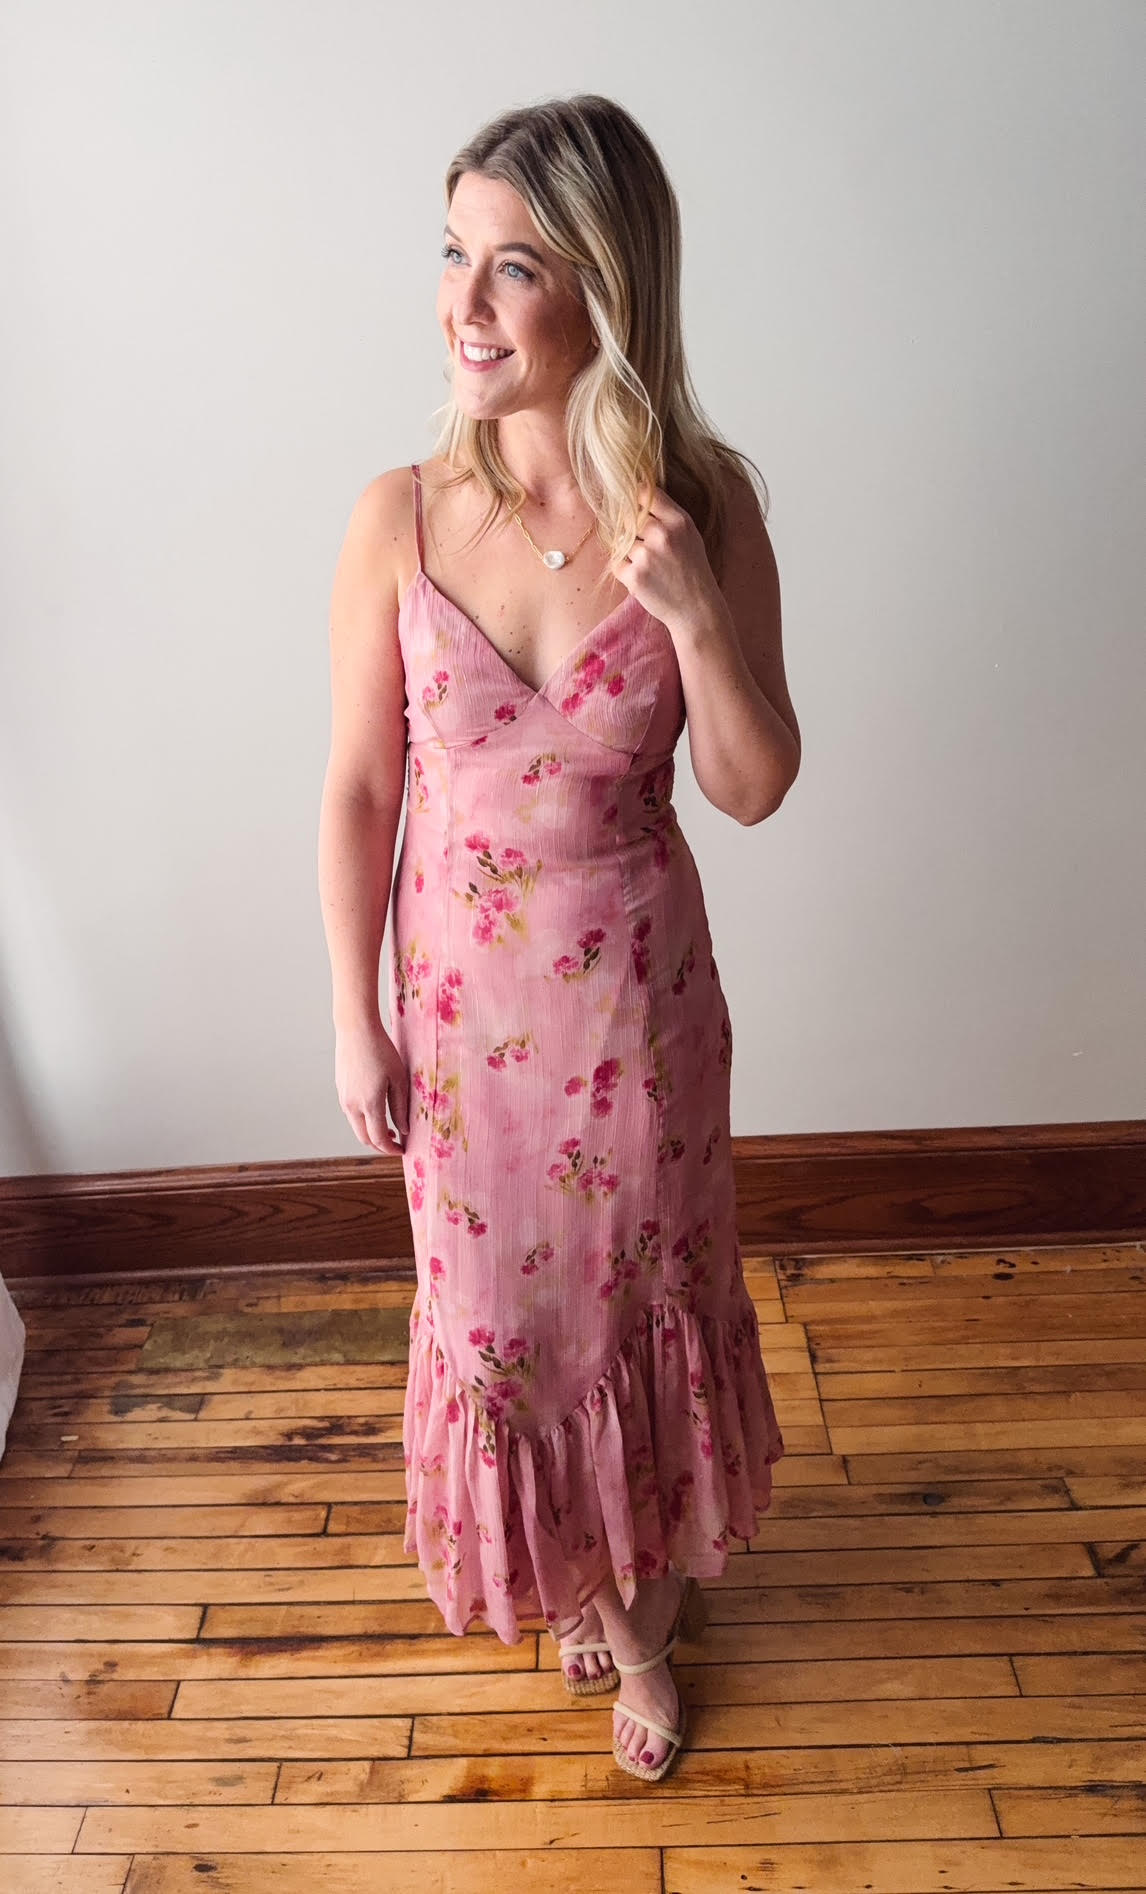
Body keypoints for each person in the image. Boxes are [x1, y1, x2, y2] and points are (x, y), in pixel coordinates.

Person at [318, 93, 800, 1785]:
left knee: (642, 1308)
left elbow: (751, 784)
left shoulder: (703, 505)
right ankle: (574, 1569)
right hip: (459, 1022)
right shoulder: (396, 515)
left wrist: (689, 617)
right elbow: (361, 782)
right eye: (451, 252)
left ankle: (650, 1622)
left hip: (633, 1016)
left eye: (510, 266)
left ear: (602, 287)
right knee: (508, 1324)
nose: (461, 299)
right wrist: (350, 1016)